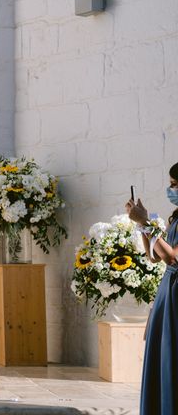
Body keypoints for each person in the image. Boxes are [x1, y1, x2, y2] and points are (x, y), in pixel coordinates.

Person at [126, 162, 178, 415]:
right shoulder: (176, 218)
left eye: (175, 185)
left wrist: (147, 223)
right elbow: (154, 256)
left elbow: (173, 258)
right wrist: (142, 225)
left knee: (173, 354)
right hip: (167, 290)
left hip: (176, 293)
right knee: (162, 351)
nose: (171, 189)